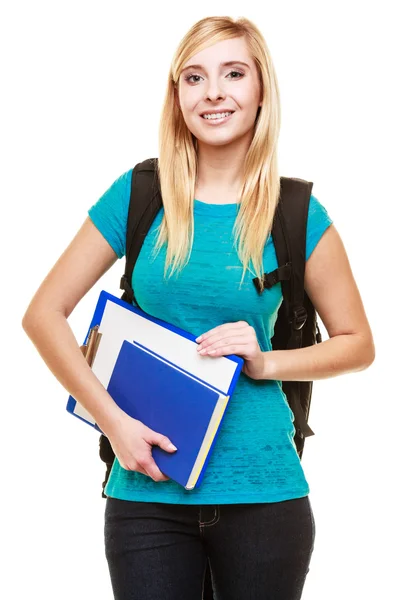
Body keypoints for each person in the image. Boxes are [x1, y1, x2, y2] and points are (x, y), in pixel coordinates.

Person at [22, 15, 375, 600]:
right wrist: (116, 426)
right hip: (145, 496)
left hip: (264, 494)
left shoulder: (297, 213)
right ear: (177, 95)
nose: (213, 92)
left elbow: (357, 344)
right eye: (194, 77)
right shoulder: (137, 195)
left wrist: (264, 362)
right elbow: (43, 315)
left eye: (233, 73)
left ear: (261, 91)